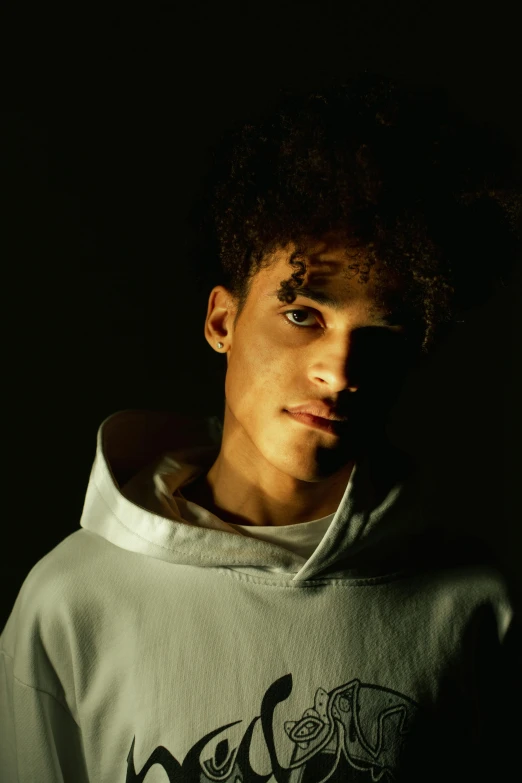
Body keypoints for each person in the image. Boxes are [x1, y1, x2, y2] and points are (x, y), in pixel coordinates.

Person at [1, 72, 521, 782]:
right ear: (222, 320)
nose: (338, 371)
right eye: (303, 314)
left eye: (381, 336)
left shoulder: (474, 607)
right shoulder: (72, 601)